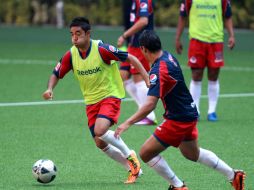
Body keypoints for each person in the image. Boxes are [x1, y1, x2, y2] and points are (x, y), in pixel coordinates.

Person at [115, 30, 245, 190]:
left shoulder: (159, 69)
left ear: (143, 50)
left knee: (146, 153)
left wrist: (127, 123)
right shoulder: (168, 57)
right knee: (192, 154)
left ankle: (178, 186)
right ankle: (233, 175)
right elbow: (163, 82)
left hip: (178, 119)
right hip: (189, 113)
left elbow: (150, 104)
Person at [42, 17, 149, 184]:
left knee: (100, 130)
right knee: (100, 143)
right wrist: (50, 89)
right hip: (91, 102)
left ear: (88, 34)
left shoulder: (102, 49)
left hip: (110, 95)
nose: (75, 38)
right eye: (72, 34)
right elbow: (56, 73)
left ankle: (132, 158)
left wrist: (147, 78)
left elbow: (131, 58)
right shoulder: (71, 54)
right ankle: (133, 169)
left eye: (78, 34)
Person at [175, 0, 235, 121]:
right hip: (197, 40)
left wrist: (232, 35)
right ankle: (195, 110)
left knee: (213, 75)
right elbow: (183, 16)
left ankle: (211, 111)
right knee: (196, 75)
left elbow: (228, 16)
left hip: (216, 40)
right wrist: (178, 38)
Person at [117, 0, 157, 125]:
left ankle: (149, 116)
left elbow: (143, 21)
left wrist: (125, 35)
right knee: (122, 76)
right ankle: (143, 111)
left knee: (138, 79)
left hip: (141, 43)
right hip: (133, 44)